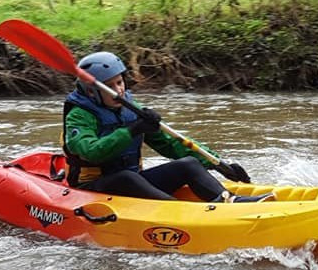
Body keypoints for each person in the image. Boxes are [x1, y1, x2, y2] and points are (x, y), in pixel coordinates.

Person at [63, 51, 274, 203]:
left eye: (120, 82)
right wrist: (132, 130)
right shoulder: (79, 116)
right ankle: (177, 211)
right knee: (125, 177)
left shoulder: (131, 109)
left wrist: (217, 163)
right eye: (110, 87)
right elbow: (90, 152)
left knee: (188, 163)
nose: (118, 90)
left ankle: (228, 202)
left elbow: (171, 143)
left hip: (134, 182)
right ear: (92, 92)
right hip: (93, 187)